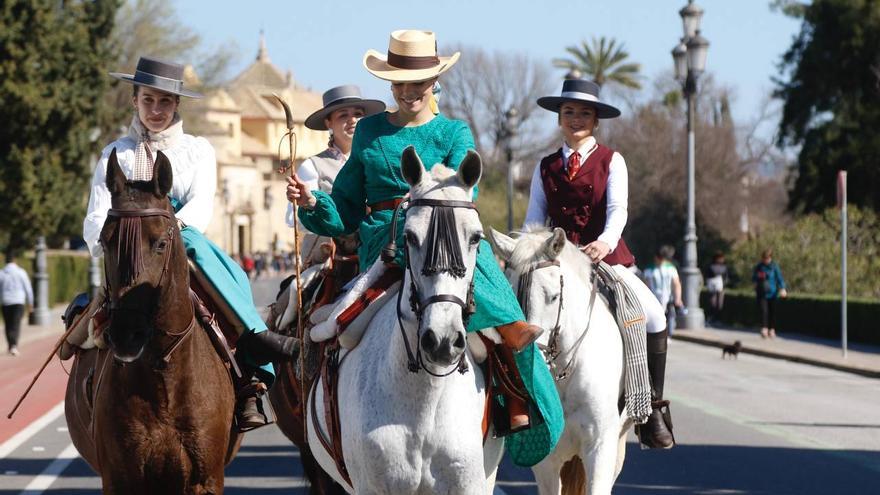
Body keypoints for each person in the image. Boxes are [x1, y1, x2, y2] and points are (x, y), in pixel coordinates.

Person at [286, 29, 563, 462]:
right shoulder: (370, 132)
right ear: (391, 86)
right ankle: (321, 405)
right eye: (399, 83)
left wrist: (434, 210)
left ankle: (517, 391)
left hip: (444, 230)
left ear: (434, 83)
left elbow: (460, 191)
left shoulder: (455, 132)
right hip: (384, 238)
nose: (409, 91)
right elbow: (344, 205)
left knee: (486, 284)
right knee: (330, 324)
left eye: (418, 82)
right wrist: (311, 202)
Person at [67, 56, 299, 430]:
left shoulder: (198, 150)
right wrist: (109, 240)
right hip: (127, 242)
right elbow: (96, 211)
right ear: (135, 101)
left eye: (164, 102)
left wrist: (166, 234)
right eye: (148, 100)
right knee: (100, 306)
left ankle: (251, 363)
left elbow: (202, 204)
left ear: (176, 105)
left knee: (229, 273)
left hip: (177, 237)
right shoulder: (114, 153)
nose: (155, 110)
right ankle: (85, 376)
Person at [524, 78, 674, 449]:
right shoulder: (544, 168)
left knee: (655, 316)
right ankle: (514, 403)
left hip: (604, 258)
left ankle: (651, 407)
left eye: (584, 113)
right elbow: (534, 220)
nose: (576, 119)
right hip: (558, 262)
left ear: (595, 120)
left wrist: (604, 243)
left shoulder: (612, 161)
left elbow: (618, 211)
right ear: (559, 117)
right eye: (569, 112)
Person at [284, 85, 385, 265]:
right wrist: (317, 209)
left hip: (376, 251)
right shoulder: (312, 166)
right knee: (297, 290)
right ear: (328, 123)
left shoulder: (379, 161)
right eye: (343, 115)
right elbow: (293, 218)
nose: (352, 120)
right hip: (328, 259)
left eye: (358, 114)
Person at [0, 248, 33, 356]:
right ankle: (13, 345)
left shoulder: (2, 273)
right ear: (14, 260)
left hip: (6, 301)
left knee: (8, 324)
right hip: (18, 301)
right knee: (16, 324)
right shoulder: (21, 272)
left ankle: (11, 344)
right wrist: (30, 303)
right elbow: (28, 288)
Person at [643, 245, 683, 335]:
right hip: (654, 300)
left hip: (668, 299)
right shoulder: (649, 269)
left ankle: (668, 335)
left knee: (669, 317)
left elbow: (676, 284)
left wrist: (678, 299)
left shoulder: (671, 268)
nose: (661, 260)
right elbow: (647, 285)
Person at [753, 248, 787, 338]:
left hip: (772, 292)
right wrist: (757, 280)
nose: (766, 260)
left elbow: (779, 278)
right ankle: (764, 328)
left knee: (773, 312)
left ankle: (772, 329)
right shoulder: (759, 267)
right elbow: (754, 278)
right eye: (764, 258)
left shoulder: (774, 267)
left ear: (770, 258)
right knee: (764, 311)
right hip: (762, 292)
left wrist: (782, 288)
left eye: (767, 258)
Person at [705, 251, 728, 324]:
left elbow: (726, 277)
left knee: (719, 304)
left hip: (720, 286)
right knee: (713, 302)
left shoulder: (724, 267)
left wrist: (724, 284)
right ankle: (711, 317)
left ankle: (717, 318)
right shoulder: (711, 266)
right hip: (712, 285)